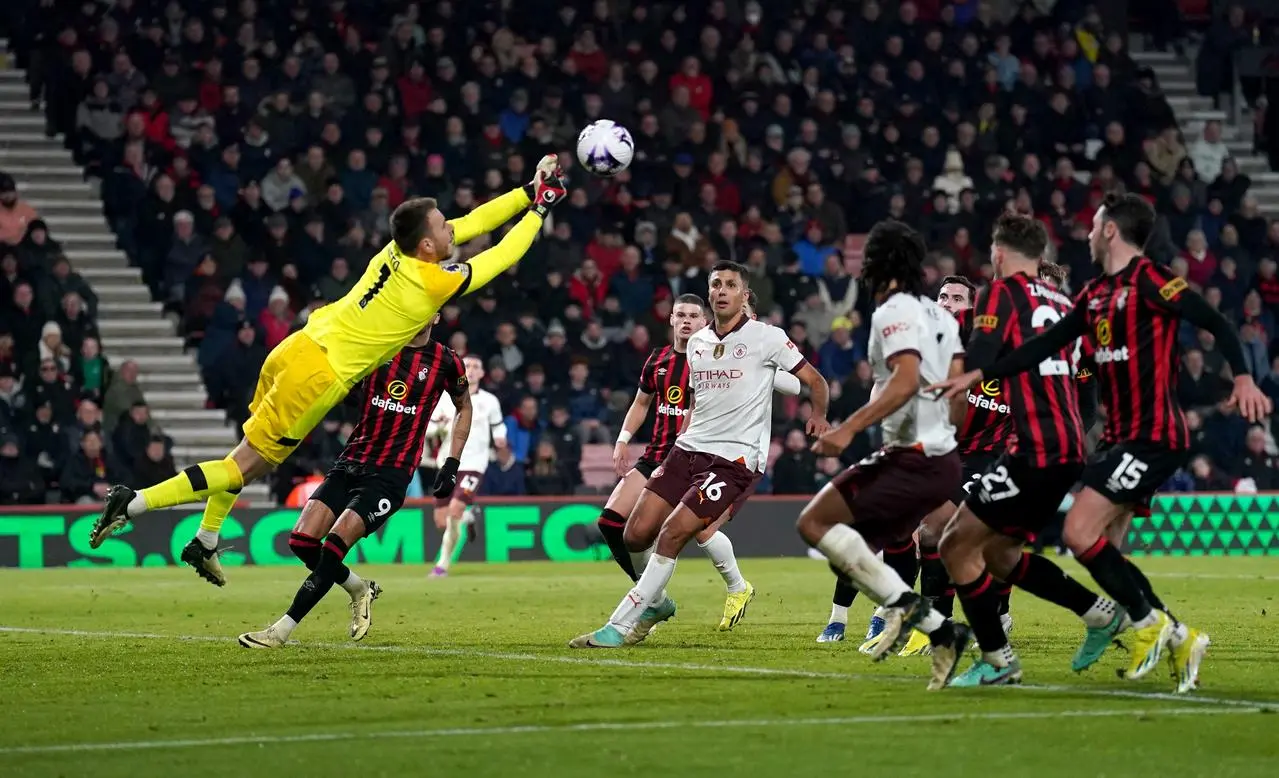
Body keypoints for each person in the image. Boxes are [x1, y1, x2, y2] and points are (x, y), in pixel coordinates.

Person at [89, 155, 568, 586]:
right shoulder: (432, 282)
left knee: (244, 453)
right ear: (427, 243)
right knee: (244, 466)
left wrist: (529, 190)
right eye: (443, 227)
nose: (452, 231)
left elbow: (473, 222)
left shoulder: (397, 250)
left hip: (296, 345)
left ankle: (207, 540)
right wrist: (541, 211)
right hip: (318, 376)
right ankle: (133, 502)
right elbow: (500, 257)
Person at [933, 194, 1271, 692]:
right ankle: (1166, 633)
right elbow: (1049, 348)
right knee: (1076, 543)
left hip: (1145, 436)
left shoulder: (1152, 281)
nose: (1088, 233)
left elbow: (1216, 321)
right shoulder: (1088, 296)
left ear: (1111, 230)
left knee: (1064, 534)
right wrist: (985, 374)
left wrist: (1241, 377)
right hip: (1106, 442)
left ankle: (1137, 627)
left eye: (1094, 226)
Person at [570, 261, 829, 648]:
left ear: (744, 295)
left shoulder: (767, 337)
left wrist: (819, 415)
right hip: (687, 450)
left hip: (733, 460)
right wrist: (682, 435)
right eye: (716, 285)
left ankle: (619, 626)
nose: (722, 290)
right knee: (635, 534)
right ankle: (656, 604)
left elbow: (814, 381)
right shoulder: (699, 344)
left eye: (730, 285)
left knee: (673, 534)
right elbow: (699, 401)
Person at [793, 220, 968, 689]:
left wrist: (847, 430)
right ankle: (928, 621)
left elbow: (905, 380)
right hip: (941, 456)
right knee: (890, 541)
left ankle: (921, 618)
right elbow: (957, 395)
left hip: (910, 456)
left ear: (876, 263)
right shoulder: (943, 318)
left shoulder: (893, 311)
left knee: (816, 524)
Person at [239, 321, 470, 648]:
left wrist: (452, 462)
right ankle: (358, 588)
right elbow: (342, 381)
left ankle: (281, 631)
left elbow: (464, 405)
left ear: (435, 316)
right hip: (351, 460)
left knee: (333, 547)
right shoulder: (377, 344)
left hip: (390, 474)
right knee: (302, 542)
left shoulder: (446, 362)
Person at [600, 290, 801, 632]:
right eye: (681, 315)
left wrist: (763, 367)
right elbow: (642, 403)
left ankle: (736, 587)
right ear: (671, 319)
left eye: (693, 316)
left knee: (699, 529)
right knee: (615, 525)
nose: (686, 322)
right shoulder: (669, 358)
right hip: (665, 456)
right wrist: (622, 439)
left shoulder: (738, 356)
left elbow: (795, 385)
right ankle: (654, 598)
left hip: (721, 456)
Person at [819, 274, 993, 650]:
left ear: (971, 308)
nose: (947, 302)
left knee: (932, 533)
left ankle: (921, 621)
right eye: (943, 295)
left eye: (957, 298)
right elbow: (883, 388)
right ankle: (846, 617)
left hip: (965, 458)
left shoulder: (982, 350)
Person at [427, 353, 506, 578]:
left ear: (482, 373)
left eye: (475, 366)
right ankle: (470, 518)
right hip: (447, 462)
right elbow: (430, 429)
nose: (470, 369)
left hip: (474, 463)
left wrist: (500, 438)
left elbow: (498, 426)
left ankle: (442, 565)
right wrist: (439, 429)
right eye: (467, 365)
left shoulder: (490, 401)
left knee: (454, 511)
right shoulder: (444, 398)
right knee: (443, 521)